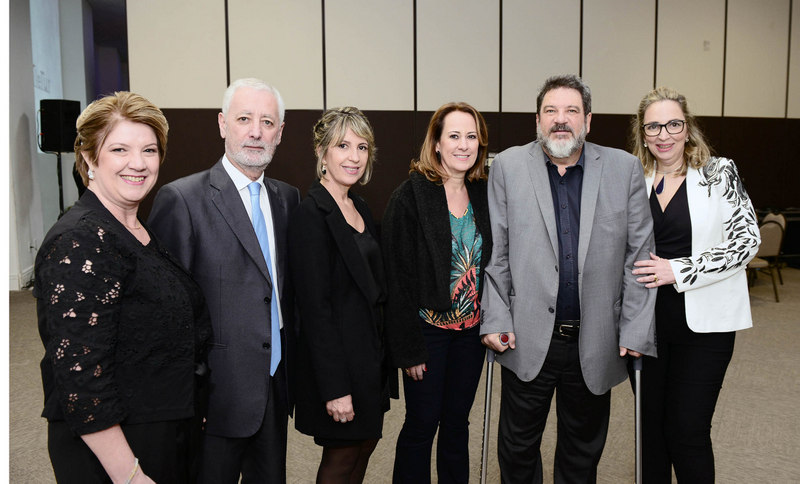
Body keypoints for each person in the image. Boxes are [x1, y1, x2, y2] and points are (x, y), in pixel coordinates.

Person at [479, 74, 657, 483]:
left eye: (571, 111)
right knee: (518, 451)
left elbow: (639, 259)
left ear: (588, 120)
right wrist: (496, 319)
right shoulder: (507, 166)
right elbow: (498, 254)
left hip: (595, 340)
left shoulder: (624, 169)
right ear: (538, 119)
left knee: (581, 455)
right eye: (551, 111)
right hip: (524, 338)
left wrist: (635, 327)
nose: (561, 120)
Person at [33, 91, 212, 483]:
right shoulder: (81, 240)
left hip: (159, 433)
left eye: (149, 150)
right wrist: (128, 474)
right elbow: (80, 376)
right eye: (119, 149)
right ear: (90, 160)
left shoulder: (134, 229)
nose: (138, 163)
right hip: (117, 453)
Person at [148, 78, 300, 483]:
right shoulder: (182, 200)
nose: (256, 131)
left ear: (280, 132)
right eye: (244, 118)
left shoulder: (288, 200)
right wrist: (185, 401)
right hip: (213, 398)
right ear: (222, 124)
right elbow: (167, 318)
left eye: (267, 122)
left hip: (273, 384)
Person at [628, 87, 760, 483]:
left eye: (673, 124)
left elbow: (747, 241)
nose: (663, 134)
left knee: (687, 431)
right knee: (648, 433)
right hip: (644, 325)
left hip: (705, 327)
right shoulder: (633, 177)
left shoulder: (719, 173)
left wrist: (679, 270)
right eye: (654, 125)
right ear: (643, 132)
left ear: (688, 129)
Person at [382, 102, 492, 483]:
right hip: (427, 332)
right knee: (422, 424)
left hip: (471, 334)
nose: (464, 145)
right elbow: (396, 281)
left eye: (472, 136)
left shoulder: (484, 193)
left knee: (457, 423)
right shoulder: (409, 197)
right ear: (437, 143)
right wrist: (408, 348)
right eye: (455, 136)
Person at [288, 106, 394, 483]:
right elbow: (314, 310)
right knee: (341, 459)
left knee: (363, 450)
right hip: (338, 369)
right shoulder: (311, 214)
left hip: (368, 363)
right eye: (343, 146)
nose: (354, 156)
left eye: (362, 147)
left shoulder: (359, 206)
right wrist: (335, 389)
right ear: (322, 153)